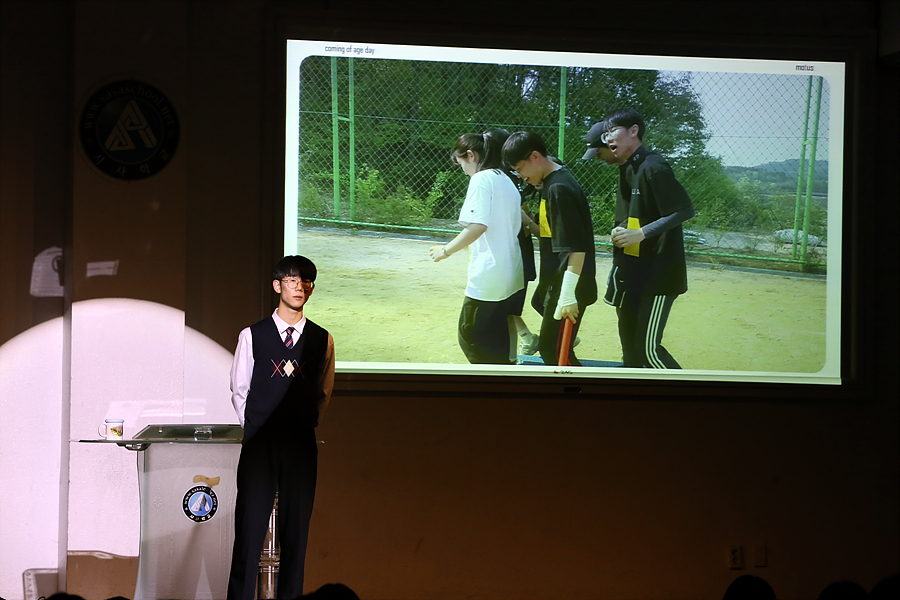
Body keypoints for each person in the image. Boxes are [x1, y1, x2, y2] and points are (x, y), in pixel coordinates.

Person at [227, 255, 336, 600]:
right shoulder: (252, 335)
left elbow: (323, 392)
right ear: (277, 286)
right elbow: (240, 389)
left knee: (296, 534)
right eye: (292, 280)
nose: (299, 287)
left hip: (300, 445)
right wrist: (257, 427)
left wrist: (301, 424)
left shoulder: (322, 339)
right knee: (249, 532)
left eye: (306, 281)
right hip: (260, 444)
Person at [596, 108, 695, 368]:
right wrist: (620, 230)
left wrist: (641, 234)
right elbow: (633, 215)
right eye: (605, 134)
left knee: (648, 351)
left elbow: (684, 210)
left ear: (634, 131)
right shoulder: (628, 167)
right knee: (630, 347)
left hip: (659, 274)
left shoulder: (654, 166)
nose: (608, 138)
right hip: (635, 271)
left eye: (613, 131)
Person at [430, 130, 525, 364]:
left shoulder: (482, 179)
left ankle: (490, 383)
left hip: (490, 274)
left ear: (471, 155)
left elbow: (477, 226)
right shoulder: (506, 179)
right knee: (497, 337)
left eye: (460, 162)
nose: (462, 169)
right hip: (510, 272)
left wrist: (445, 251)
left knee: (471, 336)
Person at [502, 132, 597, 366]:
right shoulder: (551, 184)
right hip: (557, 277)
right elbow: (552, 234)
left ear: (535, 157)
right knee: (540, 307)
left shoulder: (558, 189)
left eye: (520, 169)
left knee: (553, 351)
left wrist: (568, 294)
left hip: (569, 280)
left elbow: (577, 247)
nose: (521, 176)